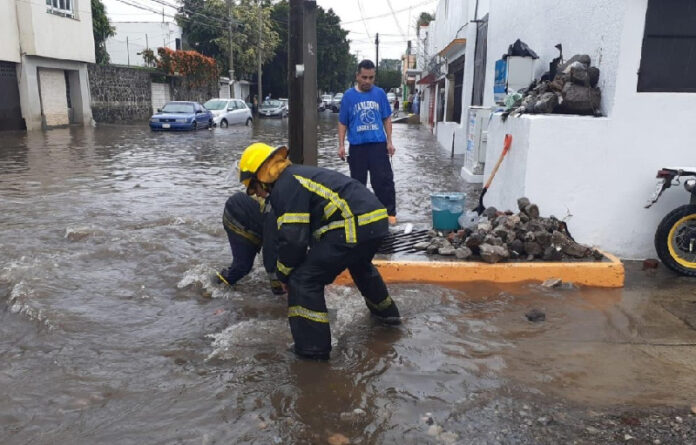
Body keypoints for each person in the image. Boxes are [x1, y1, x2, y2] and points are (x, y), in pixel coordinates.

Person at [237, 143, 401, 360]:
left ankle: (312, 350)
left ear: (261, 176)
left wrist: (284, 274)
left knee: (303, 280)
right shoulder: (300, 176)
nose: (258, 194)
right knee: (360, 266)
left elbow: (293, 240)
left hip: (352, 226)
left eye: (254, 188)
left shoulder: (286, 186)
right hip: (375, 221)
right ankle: (388, 318)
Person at [338, 59, 398, 225]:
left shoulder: (379, 94)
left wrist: (389, 142)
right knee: (357, 184)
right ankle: (360, 217)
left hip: (378, 145)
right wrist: (341, 145)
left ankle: (389, 215)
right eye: (364, 77)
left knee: (383, 181)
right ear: (357, 76)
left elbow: (386, 118)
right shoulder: (348, 96)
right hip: (357, 147)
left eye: (371, 77)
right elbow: (343, 122)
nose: (368, 81)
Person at [215, 191, 285, 295]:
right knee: (242, 267)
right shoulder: (277, 217)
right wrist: (278, 289)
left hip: (255, 213)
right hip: (238, 215)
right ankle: (214, 286)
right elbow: (270, 252)